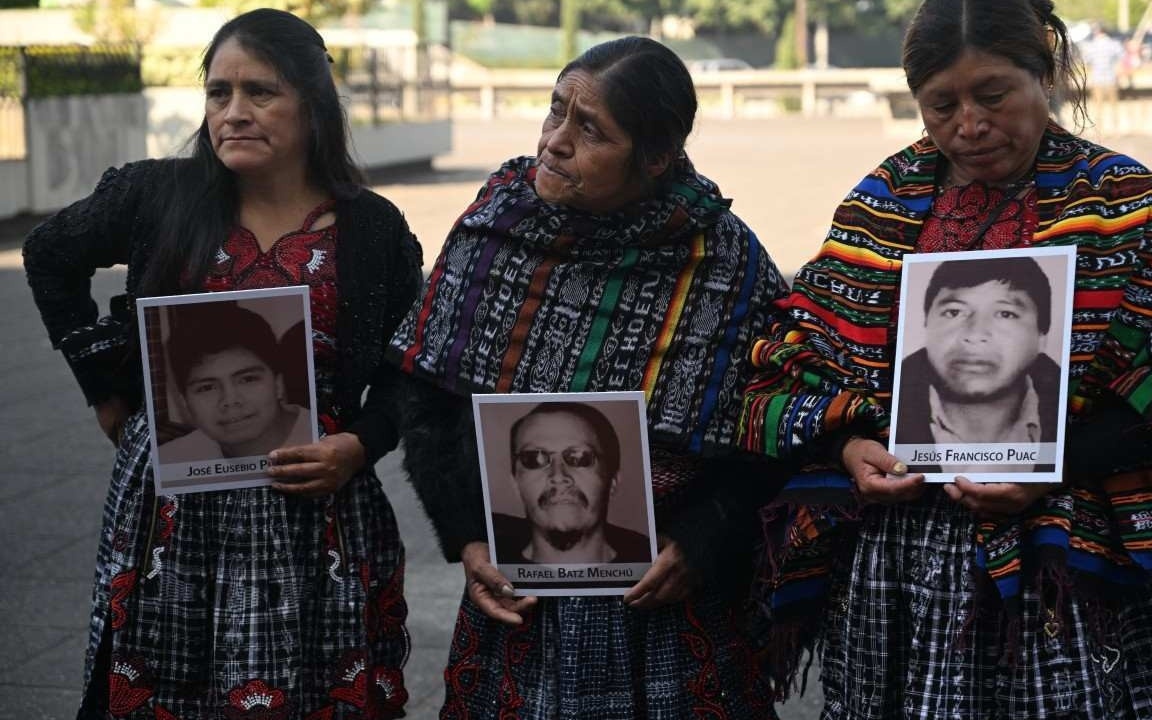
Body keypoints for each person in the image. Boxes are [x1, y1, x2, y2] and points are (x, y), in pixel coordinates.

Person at [737, 0, 1152, 717]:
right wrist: (849, 443)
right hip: (897, 568)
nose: (970, 125)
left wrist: (1050, 467)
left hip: (1061, 562)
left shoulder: (1121, 202)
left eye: (994, 95)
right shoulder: (880, 203)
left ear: (1043, 74)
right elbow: (796, 361)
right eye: (941, 104)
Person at [23, 9, 422, 719]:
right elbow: (49, 255)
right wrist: (105, 390)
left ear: (313, 103)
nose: (233, 113)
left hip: (317, 508)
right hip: (173, 513)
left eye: (260, 92)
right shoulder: (157, 195)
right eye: (218, 93)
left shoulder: (375, 229)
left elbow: (408, 365)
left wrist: (358, 446)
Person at [388, 36, 788, 719]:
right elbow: (425, 392)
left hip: (669, 613)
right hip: (520, 607)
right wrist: (467, 538)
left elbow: (772, 432)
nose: (554, 142)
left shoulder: (723, 262)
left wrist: (702, 541)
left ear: (656, 157)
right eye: (555, 112)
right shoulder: (497, 225)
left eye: (589, 129)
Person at [894, 256, 1061, 472]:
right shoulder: (878, 414)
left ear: (1041, 336)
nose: (975, 334)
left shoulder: (1078, 422)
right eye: (954, 312)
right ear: (926, 324)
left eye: (1005, 314)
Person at [493, 402, 651, 565]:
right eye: (534, 459)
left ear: (612, 481)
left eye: (580, 457)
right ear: (515, 483)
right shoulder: (488, 567)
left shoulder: (655, 568)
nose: (559, 476)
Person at [158, 303, 313, 463]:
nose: (230, 401)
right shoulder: (169, 462)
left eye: (247, 379)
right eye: (207, 388)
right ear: (185, 403)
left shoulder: (325, 444)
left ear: (278, 384)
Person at [1080, 23, 1125, 133]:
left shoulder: (1092, 46)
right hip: (1111, 79)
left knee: (1098, 108)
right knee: (1114, 107)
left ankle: (1100, 131)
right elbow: (1122, 57)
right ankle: (1116, 130)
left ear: (1097, 32)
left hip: (1097, 80)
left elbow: (1085, 61)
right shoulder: (1114, 44)